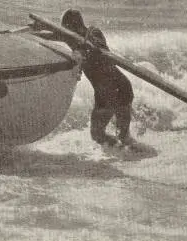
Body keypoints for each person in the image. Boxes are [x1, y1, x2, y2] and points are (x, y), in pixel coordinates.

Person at [55, 9, 136, 148]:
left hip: (119, 88)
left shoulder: (93, 33)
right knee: (97, 135)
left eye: (65, 27)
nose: (63, 32)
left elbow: (99, 46)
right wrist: (35, 30)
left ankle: (138, 159)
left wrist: (85, 48)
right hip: (103, 94)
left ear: (72, 26)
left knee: (123, 136)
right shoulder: (71, 38)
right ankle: (122, 155)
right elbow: (52, 35)